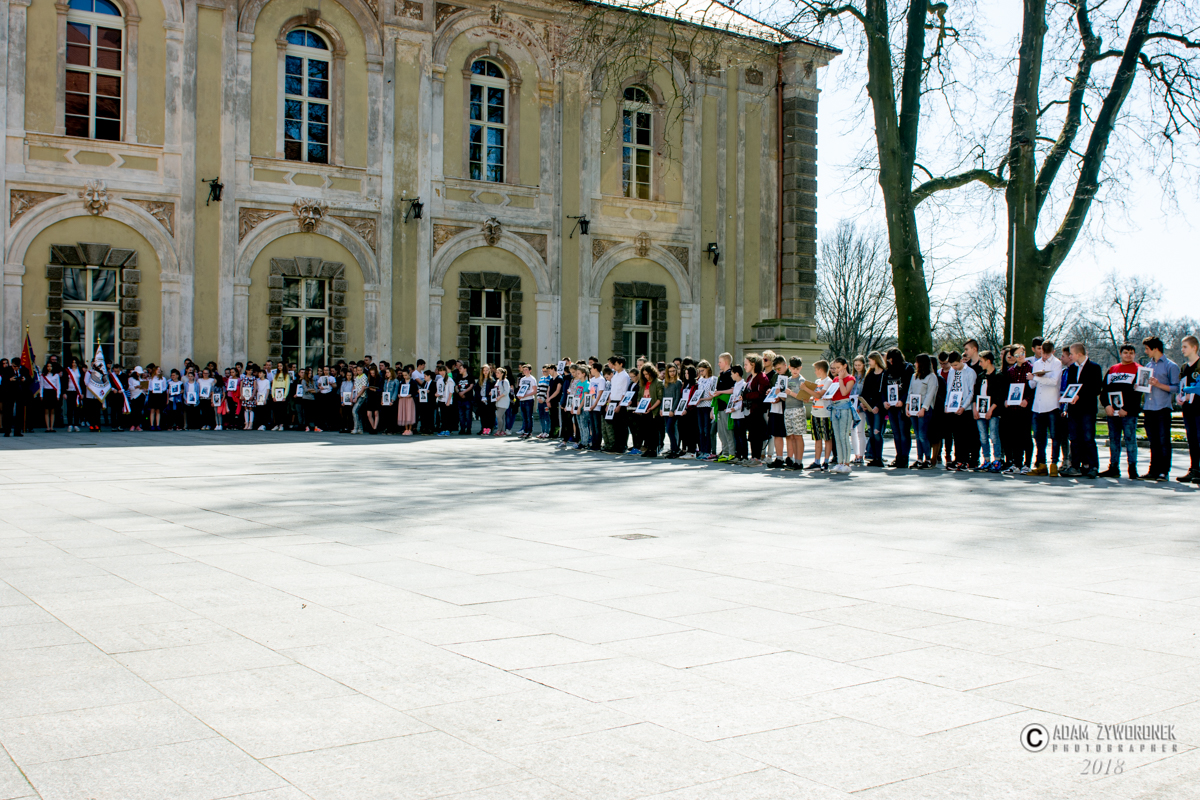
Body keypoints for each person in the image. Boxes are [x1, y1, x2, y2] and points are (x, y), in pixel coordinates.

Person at [1097, 345, 1142, 479]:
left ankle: (1132, 469)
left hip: (1129, 413)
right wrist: (1106, 405)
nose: (1128, 355)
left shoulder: (1139, 369)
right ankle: (1113, 467)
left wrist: (1126, 408)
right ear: (1121, 353)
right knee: (1114, 440)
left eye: (1131, 353)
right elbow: (1104, 390)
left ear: (1134, 354)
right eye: (1126, 352)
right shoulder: (1113, 369)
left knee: (1130, 440)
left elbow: (1138, 393)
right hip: (1113, 412)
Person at [1141, 336, 1180, 481]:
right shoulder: (1148, 366)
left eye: (1147, 349)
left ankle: (1164, 471)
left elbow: (1176, 388)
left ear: (1155, 348)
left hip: (1163, 407)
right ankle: (1153, 470)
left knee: (1164, 440)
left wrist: (1158, 385)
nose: (1146, 352)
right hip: (1149, 408)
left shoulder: (1171, 366)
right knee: (1153, 441)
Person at [1061, 343, 1102, 479]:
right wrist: (1067, 398)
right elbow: (1070, 386)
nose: (1070, 356)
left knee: (1088, 438)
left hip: (1087, 409)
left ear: (1079, 354)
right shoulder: (1072, 368)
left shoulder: (1094, 367)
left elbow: (1096, 388)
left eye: (1071, 354)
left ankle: (1092, 466)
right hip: (1074, 409)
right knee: (1074, 438)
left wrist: (1080, 395)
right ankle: (1075, 466)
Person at [1029, 340, 1063, 476]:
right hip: (1038, 405)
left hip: (1051, 404)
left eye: (1047, 354)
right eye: (1043, 353)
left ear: (1053, 352)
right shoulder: (1037, 363)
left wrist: (1037, 378)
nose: (1045, 356)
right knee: (1039, 437)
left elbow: (1054, 382)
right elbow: (1032, 385)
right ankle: (1041, 464)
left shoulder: (1057, 363)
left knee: (1055, 436)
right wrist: (1033, 377)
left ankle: (1054, 463)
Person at [972, 351, 1006, 472]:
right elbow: (975, 393)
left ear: (988, 361)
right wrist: (975, 409)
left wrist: (991, 410)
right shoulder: (981, 376)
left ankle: (997, 460)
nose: (980, 364)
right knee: (983, 436)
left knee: (994, 435)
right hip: (980, 411)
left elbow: (999, 396)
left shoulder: (998, 376)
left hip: (993, 412)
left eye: (981, 361)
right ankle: (986, 459)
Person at [1002, 345, 1034, 474]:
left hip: (1025, 408)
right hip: (1013, 408)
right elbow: (1007, 388)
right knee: (1015, 436)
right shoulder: (1011, 371)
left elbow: (1035, 388)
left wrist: (1027, 400)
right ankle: (1016, 463)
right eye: (1017, 355)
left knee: (1026, 436)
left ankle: (1027, 464)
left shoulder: (1031, 368)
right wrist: (1006, 400)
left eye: (1022, 353)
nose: (1020, 356)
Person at [943, 352, 976, 471]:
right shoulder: (952, 371)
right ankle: (958, 459)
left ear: (961, 361)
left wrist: (964, 406)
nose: (954, 367)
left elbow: (972, 392)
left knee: (965, 435)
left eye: (956, 365)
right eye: (952, 365)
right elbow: (949, 388)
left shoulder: (970, 372)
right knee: (956, 435)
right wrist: (947, 404)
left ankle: (965, 460)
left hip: (965, 408)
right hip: (953, 406)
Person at [883, 348, 914, 468]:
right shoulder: (887, 371)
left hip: (902, 405)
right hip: (891, 406)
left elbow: (910, 387)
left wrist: (903, 400)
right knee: (896, 433)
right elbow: (884, 388)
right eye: (888, 360)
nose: (890, 362)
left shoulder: (908, 368)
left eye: (892, 360)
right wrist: (884, 401)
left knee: (903, 432)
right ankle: (898, 456)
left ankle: (904, 458)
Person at [907, 353, 938, 469]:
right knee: (917, 434)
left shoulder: (931, 377)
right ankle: (919, 458)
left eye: (917, 362)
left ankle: (928, 459)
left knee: (922, 435)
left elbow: (930, 394)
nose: (915, 364)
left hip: (924, 408)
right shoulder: (914, 376)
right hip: (914, 406)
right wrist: (907, 405)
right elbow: (910, 391)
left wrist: (924, 408)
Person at [828, 357, 857, 474]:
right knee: (837, 436)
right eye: (835, 368)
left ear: (845, 366)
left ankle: (846, 463)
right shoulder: (835, 379)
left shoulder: (850, 378)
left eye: (838, 367)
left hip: (844, 407)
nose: (836, 370)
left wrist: (840, 379)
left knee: (844, 435)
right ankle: (840, 462)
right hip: (835, 407)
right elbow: (832, 394)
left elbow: (844, 392)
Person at [858, 352, 886, 468]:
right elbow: (865, 391)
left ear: (876, 360)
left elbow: (884, 392)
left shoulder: (884, 374)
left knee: (877, 432)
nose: (869, 363)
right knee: (871, 433)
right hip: (869, 407)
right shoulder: (870, 374)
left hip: (878, 408)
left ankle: (879, 457)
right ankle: (873, 457)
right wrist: (863, 403)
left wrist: (878, 406)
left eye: (870, 360)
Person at [1179, 335, 1200, 484]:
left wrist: (1191, 393)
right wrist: (1180, 397)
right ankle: (1194, 469)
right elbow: (1181, 385)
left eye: (1185, 347)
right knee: (1192, 440)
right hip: (1188, 409)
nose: (1182, 350)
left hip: (1199, 408)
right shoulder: (1184, 367)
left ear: (1194, 347)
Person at [808, 360, 834, 470]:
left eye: (816, 370)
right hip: (815, 412)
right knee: (817, 438)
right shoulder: (817, 381)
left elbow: (820, 395)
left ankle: (826, 461)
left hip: (825, 413)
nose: (815, 372)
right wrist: (809, 398)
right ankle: (817, 461)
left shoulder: (828, 381)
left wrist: (806, 389)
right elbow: (815, 396)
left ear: (821, 370)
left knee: (827, 438)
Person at [635, 363, 664, 457]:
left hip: (653, 411)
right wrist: (640, 407)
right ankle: (648, 448)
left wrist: (651, 408)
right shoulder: (643, 383)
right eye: (644, 374)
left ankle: (653, 449)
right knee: (646, 431)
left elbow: (660, 398)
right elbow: (639, 396)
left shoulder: (658, 382)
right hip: (644, 410)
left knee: (653, 431)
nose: (646, 376)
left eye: (647, 374)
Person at [516, 364, 538, 439]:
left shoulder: (532, 379)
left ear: (530, 370)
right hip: (522, 400)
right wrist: (519, 395)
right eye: (524, 369)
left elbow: (534, 391)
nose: (525, 371)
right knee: (524, 417)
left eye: (526, 369)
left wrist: (526, 395)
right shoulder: (522, 379)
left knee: (529, 416)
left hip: (529, 399)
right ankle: (524, 431)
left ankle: (529, 431)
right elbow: (520, 389)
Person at [493, 367, 511, 435]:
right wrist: (492, 393)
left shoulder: (505, 381)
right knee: (502, 417)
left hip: (504, 401)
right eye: (496, 372)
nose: (496, 374)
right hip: (498, 401)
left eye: (498, 373)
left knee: (498, 416)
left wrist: (500, 396)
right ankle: (502, 431)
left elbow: (506, 391)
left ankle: (499, 430)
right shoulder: (498, 381)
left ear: (502, 374)